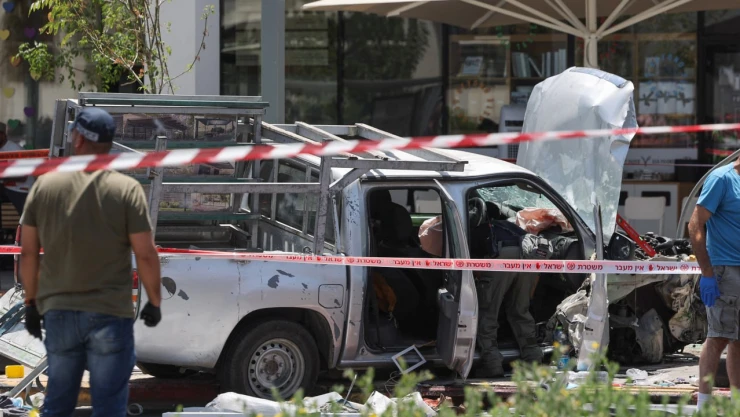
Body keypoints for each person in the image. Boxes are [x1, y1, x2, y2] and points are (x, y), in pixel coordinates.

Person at [19, 107, 163, 417]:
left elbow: (28, 253)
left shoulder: (45, 186)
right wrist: (154, 301)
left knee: (57, 405)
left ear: (79, 139)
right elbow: (145, 253)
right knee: (109, 408)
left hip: (60, 312)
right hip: (109, 313)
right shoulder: (126, 190)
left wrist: (31, 303)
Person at [469, 202, 546, 378]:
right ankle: (533, 359)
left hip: (500, 258)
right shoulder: (511, 227)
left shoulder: (478, 231)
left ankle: (492, 364)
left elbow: (471, 268)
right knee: (520, 310)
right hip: (527, 258)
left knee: (488, 312)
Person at [689, 157, 740, 410]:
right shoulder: (722, 179)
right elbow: (695, 224)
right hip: (725, 270)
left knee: (738, 340)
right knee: (718, 337)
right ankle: (703, 406)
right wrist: (708, 273)